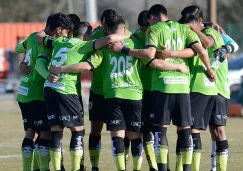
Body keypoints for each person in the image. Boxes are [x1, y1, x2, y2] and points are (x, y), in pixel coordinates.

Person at [50, 16, 189, 171]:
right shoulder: (136, 42)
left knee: (116, 136)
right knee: (135, 135)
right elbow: (152, 61)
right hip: (134, 94)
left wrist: (61, 68)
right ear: (124, 28)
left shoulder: (104, 45)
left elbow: (89, 65)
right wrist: (177, 66)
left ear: (106, 27)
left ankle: (111, 168)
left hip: (111, 93)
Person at [108, 4, 216, 171]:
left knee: (160, 131)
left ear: (152, 18)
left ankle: (162, 168)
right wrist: (208, 68)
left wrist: (125, 49)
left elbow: (150, 55)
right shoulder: (182, 28)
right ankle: (186, 168)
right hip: (182, 87)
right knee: (184, 129)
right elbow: (199, 50)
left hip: (162, 86)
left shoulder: (155, 29)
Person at [35, 17, 131, 170]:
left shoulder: (58, 42)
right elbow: (109, 39)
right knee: (78, 130)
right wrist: (130, 36)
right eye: (91, 33)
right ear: (86, 35)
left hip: (49, 88)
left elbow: (38, 37)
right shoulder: (84, 45)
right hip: (66, 90)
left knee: (56, 131)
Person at [179, 5, 238, 171]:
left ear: (197, 22)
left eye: (190, 23)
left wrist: (196, 27)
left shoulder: (211, 32)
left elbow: (214, 43)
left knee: (217, 131)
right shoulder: (209, 28)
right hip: (210, 87)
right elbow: (232, 46)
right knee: (211, 131)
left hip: (218, 88)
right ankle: (214, 168)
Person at [15, 13, 72, 171]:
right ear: (58, 29)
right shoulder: (47, 44)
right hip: (37, 93)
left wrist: (22, 62)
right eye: (66, 31)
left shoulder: (33, 36)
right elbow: (40, 65)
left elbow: (18, 47)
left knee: (30, 132)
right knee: (46, 133)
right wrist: (49, 76)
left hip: (23, 92)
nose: (66, 35)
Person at [89, 9, 132, 171]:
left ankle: (124, 164)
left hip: (118, 89)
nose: (103, 28)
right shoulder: (95, 35)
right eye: (102, 26)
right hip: (98, 89)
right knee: (96, 129)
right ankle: (94, 166)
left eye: (105, 26)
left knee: (125, 131)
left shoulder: (128, 34)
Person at [133, 10, 158, 171]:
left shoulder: (158, 33)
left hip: (157, 87)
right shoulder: (134, 38)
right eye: (142, 28)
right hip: (141, 89)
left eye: (146, 27)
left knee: (156, 130)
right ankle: (152, 166)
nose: (145, 31)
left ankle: (158, 165)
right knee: (142, 130)